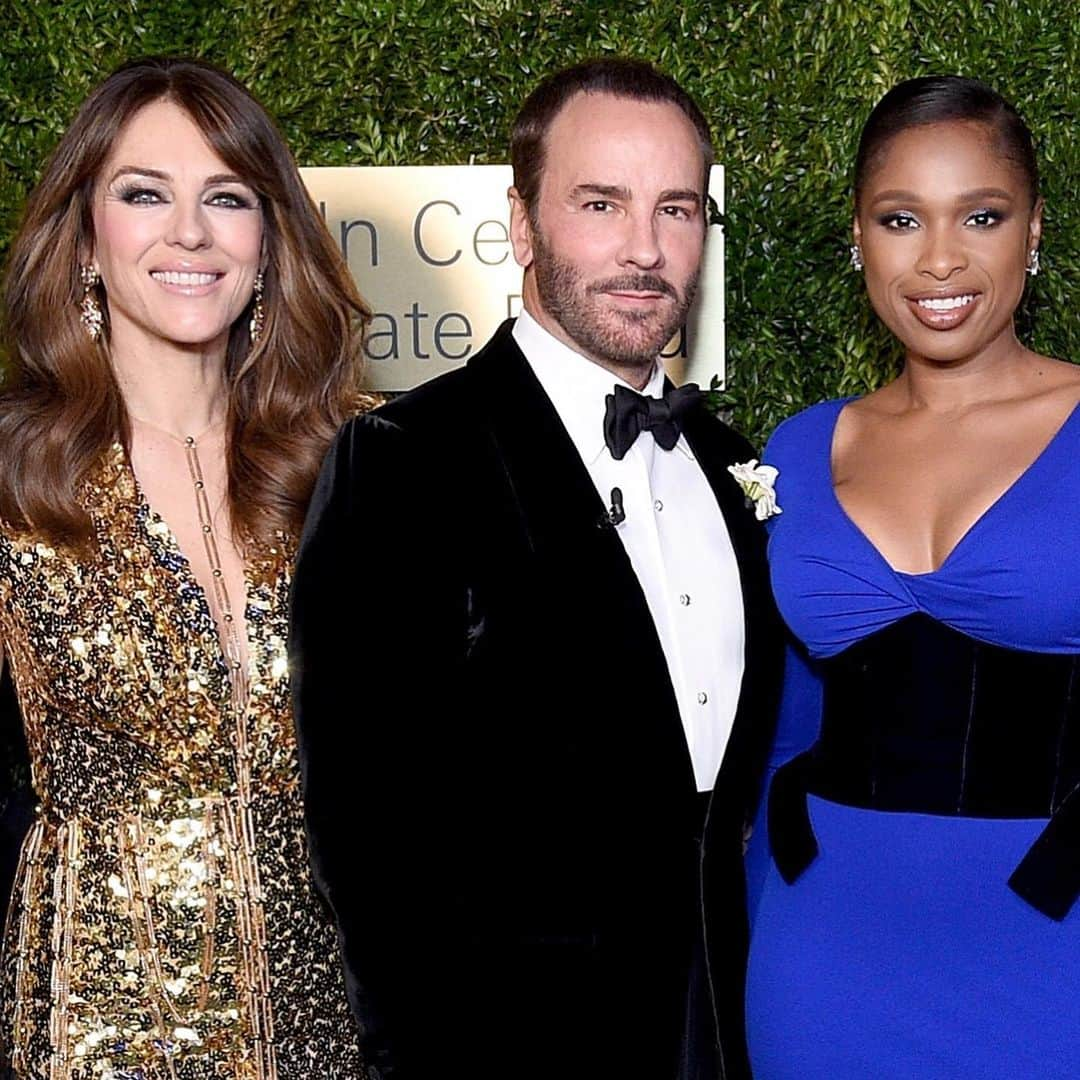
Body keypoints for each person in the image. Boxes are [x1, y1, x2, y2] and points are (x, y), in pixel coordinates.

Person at [291, 57, 783, 1080]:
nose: (645, 249)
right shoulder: (407, 463)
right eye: (601, 203)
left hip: (734, 1037)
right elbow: (367, 850)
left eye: (677, 210)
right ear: (521, 226)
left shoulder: (738, 470)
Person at [0, 56, 375, 1079]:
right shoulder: (13, 476)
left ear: (268, 238)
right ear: (85, 235)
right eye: (144, 194)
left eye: (228, 198)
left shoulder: (357, 468)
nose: (191, 233)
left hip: (338, 1023)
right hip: (94, 1025)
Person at [746, 76, 1080, 1078]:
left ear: (1033, 231)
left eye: (981, 215)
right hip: (823, 942)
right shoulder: (798, 451)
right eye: (901, 219)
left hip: (1051, 937)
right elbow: (785, 718)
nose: (940, 259)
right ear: (859, 238)